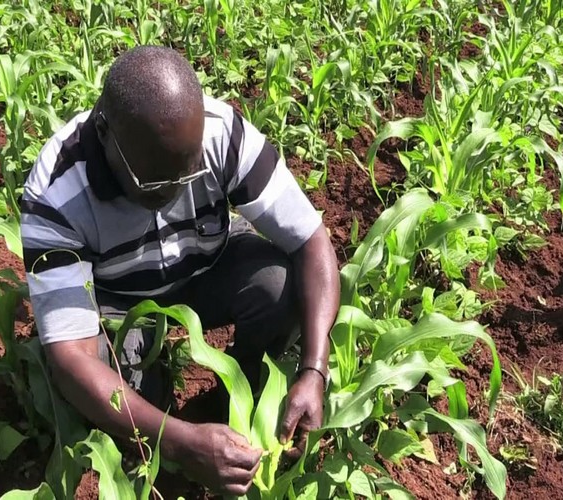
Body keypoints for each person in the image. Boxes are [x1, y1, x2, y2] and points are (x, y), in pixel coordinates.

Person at [20, 45, 340, 495]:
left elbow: (311, 242)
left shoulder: (218, 134)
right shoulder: (55, 194)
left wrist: (313, 371)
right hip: (120, 303)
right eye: (155, 183)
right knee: (121, 404)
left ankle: (233, 395)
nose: (173, 193)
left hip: (205, 272)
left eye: (187, 176)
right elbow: (70, 359)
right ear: (105, 132)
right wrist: (179, 442)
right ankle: (176, 424)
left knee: (278, 286)